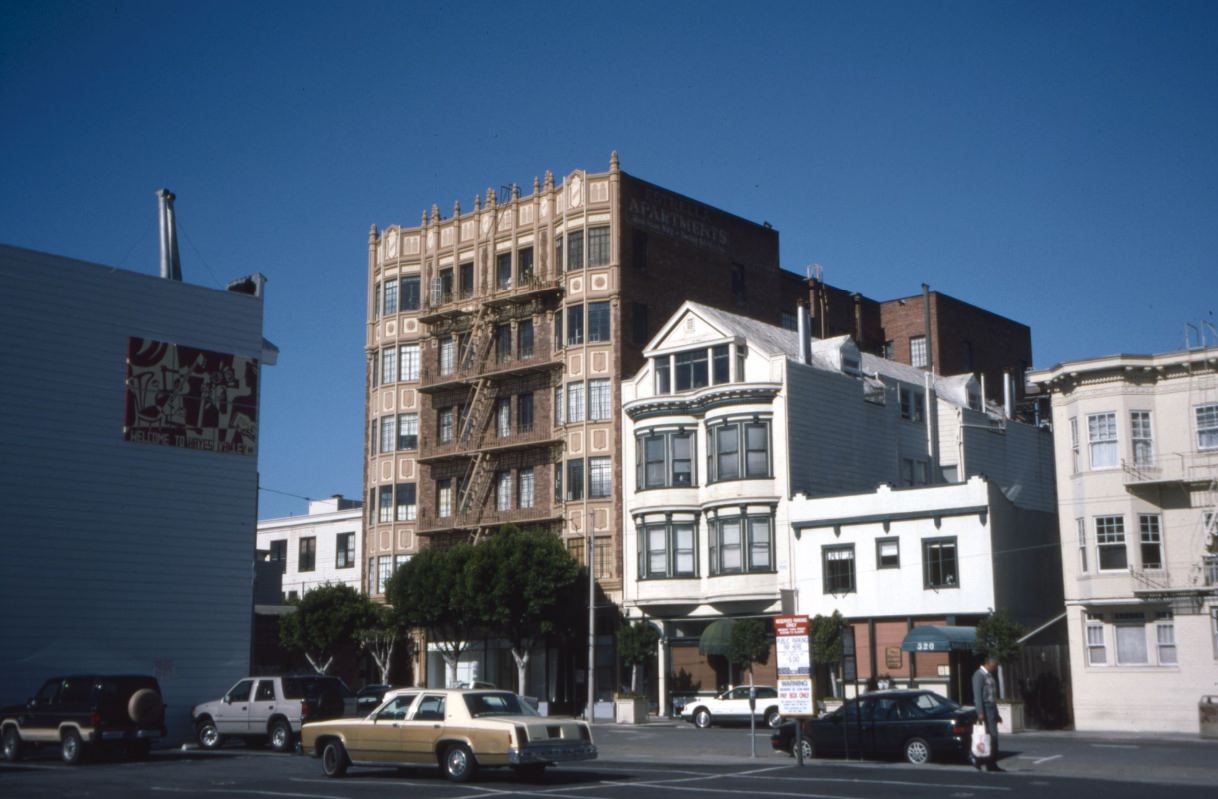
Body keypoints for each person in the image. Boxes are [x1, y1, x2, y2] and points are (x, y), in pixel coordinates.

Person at [972, 656, 1003, 772]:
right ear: (988, 664)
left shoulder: (989, 676)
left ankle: (991, 762)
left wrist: (997, 713)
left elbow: (992, 696)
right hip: (985, 708)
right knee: (987, 737)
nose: (994, 668)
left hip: (991, 708)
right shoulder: (979, 675)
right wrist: (980, 712)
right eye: (994, 666)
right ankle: (981, 760)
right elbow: (978, 695)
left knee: (992, 737)